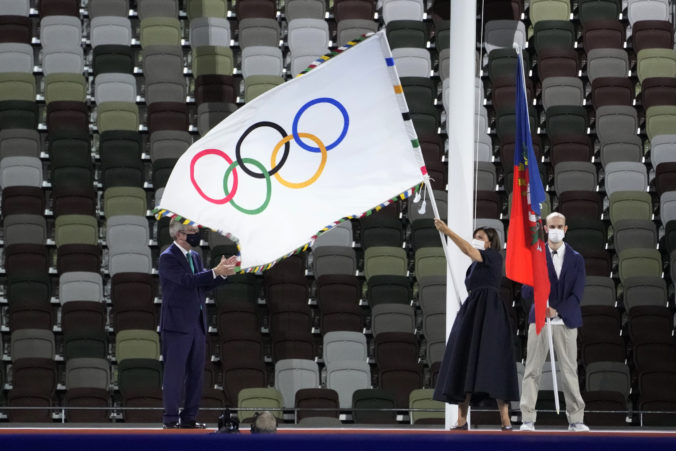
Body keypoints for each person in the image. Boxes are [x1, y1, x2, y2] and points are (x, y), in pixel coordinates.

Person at [432, 219, 519, 431]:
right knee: (466, 360)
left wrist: (446, 231)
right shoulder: (474, 267)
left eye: (481, 237)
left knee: (495, 363)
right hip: (473, 311)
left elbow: (468, 249)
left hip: (490, 312)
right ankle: (462, 420)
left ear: (490, 243)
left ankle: (505, 420)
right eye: (476, 237)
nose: (476, 240)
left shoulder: (493, 256)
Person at [159, 218, 238, 429]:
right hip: (176, 324)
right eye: (191, 231)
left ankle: (189, 418)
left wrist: (222, 275)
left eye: (196, 230)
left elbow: (200, 286)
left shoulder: (195, 256)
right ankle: (170, 419)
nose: (196, 234)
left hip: (197, 323)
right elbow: (186, 281)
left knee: (196, 374)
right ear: (179, 235)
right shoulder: (168, 258)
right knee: (174, 374)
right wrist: (214, 271)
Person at [519, 212, 589, 432]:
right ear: (545, 229)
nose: (556, 229)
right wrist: (542, 304)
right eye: (552, 226)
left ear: (565, 229)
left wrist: (556, 309)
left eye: (560, 225)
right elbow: (525, 290)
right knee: (532, 370)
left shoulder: (577, 258)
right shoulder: (535, 256)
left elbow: (577, 294)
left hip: (566, 321)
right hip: (539, 319)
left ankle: (576, 420)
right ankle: (528, 419)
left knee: (569, 371)